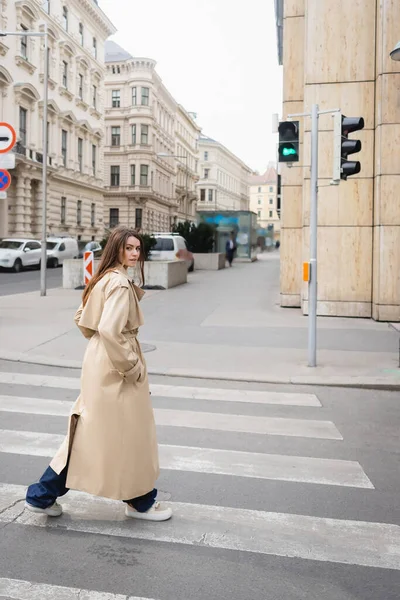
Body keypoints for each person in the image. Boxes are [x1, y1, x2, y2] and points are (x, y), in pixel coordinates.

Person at [25, 227, 172, 522]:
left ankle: (44, 495)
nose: (134, 253)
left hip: (100, 359)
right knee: (121, 433)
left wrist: (100, 344)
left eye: (137, 248)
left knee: (98, 431)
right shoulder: (117, 283)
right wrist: (131, 367)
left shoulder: (103, 277)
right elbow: (108, 329)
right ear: (116, 249)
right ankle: (138, 501)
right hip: (115, 363)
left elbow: (82, 319)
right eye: (128, 248)